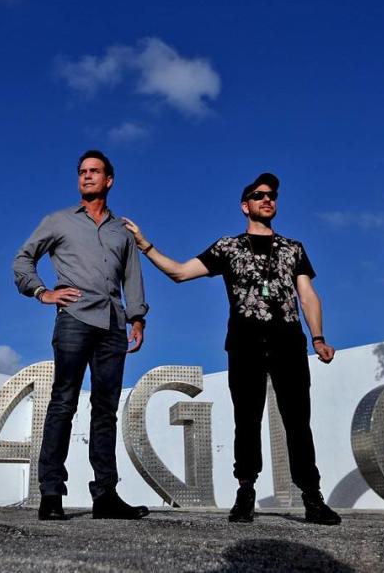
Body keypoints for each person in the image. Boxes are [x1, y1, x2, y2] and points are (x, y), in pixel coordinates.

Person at [122, 172, 342, 525]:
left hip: (289, 341)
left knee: (298, 421)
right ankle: (245, 493)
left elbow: (307, 295)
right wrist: (144, 244)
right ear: (245, 205)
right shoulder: (228, 246)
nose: (267, 199)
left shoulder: (294, 248)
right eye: (258, 195)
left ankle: (312, 498)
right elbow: (179, 272)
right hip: (245, 343)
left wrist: (318, 337)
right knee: (247, 419)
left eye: (271, 195)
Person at [13, 150, 150, 521]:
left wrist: (137, 319)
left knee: (106, 410)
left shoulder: (122, 231)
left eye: (95, 172)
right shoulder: (57, 221)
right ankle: (51, 494)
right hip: (73, 319)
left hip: (113, 326)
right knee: (63, 403)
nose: (87, 177)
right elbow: (23, 259)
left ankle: (106, 496)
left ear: (109, 180)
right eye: (82, 172)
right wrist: (43, 292)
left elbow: (132, 278)